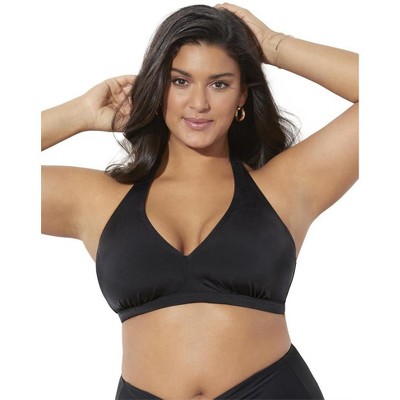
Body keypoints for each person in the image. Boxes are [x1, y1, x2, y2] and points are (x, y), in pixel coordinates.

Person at [41, 2, 358, 399]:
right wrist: (81, 112)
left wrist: (272, 44)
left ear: (242, 95)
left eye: (219, 84)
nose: (199, 103)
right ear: (158, 88)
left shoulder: (285, 187)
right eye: (180, 81)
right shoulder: (96, 199)